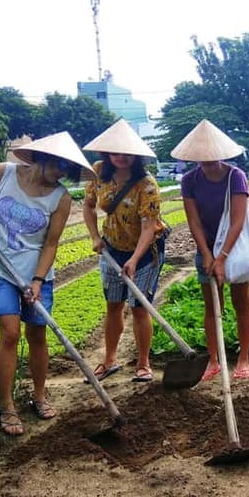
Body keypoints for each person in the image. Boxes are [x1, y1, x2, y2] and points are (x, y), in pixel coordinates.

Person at [0, 132, 94, 436]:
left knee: (37, 333)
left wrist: (37, 280)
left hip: (36, 272)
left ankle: (39, 395)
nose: (61, 173)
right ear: (42, 158)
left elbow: (51, 244)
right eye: (59, 165)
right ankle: (7, 405)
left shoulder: (61, 198)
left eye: (67, 170)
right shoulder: (5, 173)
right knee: (9, 333)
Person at [83, 119, 167, 383]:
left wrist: (133, 259)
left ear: (136, 155)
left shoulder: (147, 184)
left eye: (127, 152)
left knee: (140, 307)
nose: (121, 157)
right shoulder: (98, 172)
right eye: (115, 151)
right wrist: (96, 237)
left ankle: (143, 364)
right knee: (113, 305)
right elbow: (88, 206)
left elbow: (148, 227)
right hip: (111, 247)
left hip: (145, 253)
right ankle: (109, 361)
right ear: (107, 153)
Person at [172, 119, 249, 380]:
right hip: (206, 247)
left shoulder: (235, 177)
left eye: (212, 157)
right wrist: (207, 255)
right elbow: (193, 221)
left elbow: (237, 220)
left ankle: (243, 358)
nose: (207, 162)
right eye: (201, 158)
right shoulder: (190, 180)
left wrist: (223, 256)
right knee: (212, 306)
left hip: (234, 248)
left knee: (241, 302)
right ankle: (214, 359)